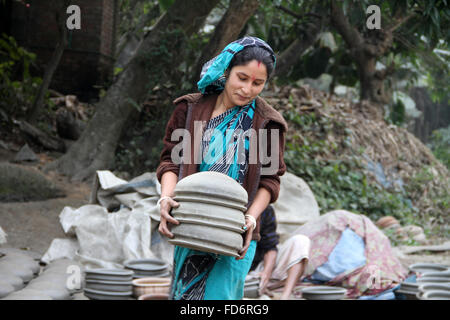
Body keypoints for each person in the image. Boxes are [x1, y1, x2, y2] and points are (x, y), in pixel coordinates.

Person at [156, 36, 288, 300]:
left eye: (257, 83)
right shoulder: (191, 110)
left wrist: (250, 218)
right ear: (226, 71)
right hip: (191, 224)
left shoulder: (267, 124)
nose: (247, 89)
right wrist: (166, 198)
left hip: (236, 234)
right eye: (242, 77)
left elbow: (270, 181)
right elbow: (172, 161)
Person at [249, 205, 311, 300]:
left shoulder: (266, 209)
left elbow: (270, 246)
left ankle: (285, 296)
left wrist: (266, 274)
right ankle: (256, 288)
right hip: (241, 274)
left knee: (301, 241)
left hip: (260, 269)